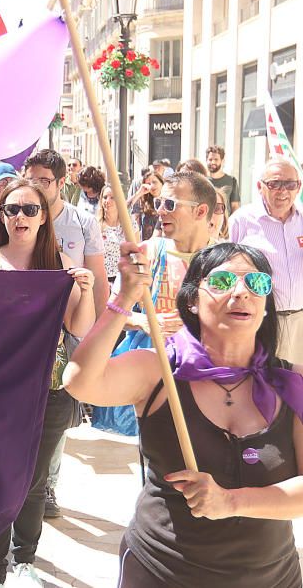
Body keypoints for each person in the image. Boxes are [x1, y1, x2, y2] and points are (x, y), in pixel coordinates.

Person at [64, 241, 303, 588]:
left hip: (271, 578)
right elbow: (80, 382)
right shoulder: (160, 370)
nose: (241, 292)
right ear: (191, 299)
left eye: (257, 284)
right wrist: (124, 298)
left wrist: (229, 502)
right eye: (222, 282)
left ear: (266, 305)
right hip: (161, 571)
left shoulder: (292, 383)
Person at [0, 179, 95, 588]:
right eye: (11, 209)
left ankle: (24, 557)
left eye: (29, 209)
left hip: (49, 394)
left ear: (45, 217)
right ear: (0, 215)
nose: (20, 217)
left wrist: (86, 289)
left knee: (34, 483)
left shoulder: (59, 268)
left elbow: (80, 325)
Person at [92, 172, 216, 438]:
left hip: (207, 384)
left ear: (201, 211)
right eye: (159, 202)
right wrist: (143, 322)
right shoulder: (147, 253)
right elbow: (112, 312)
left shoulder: (223, 262)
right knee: (154, 467)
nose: (160, 211)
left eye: (170, 204)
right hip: (153, 384)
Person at [230, 158, 303, 363]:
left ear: (298, 187)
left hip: (301, 320)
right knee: (265, 381)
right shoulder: (242, 220)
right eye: (274, 184)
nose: (283, 191)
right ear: (260, 186)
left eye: (290, 184)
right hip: (262, 320)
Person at [23, 149, 109, 312]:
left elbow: (97, 278)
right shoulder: (16, 219)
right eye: (29, 181)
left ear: (61, 183)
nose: (35, 188)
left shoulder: (84, 222)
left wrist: (98, 328)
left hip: (71, 318)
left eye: (43, 181)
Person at [129, 169, 165, 241]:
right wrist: (139, 193)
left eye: (154, 182)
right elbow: (123, 209)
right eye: (148, 184)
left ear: (161, 183)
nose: (152, 186)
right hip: (146, 246)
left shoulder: (169, 203)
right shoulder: (144, 204)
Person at [98, 185, 123, 285]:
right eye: (105, 197)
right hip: (103, 280)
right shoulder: (95, 225)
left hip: (122, 279)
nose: (107, 201)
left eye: (112, 197)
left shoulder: (129, 225)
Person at [206, 145, 241, 213]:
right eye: (210, 159)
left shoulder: (231, 181)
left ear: (222, 161)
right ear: (206, 160)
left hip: (225, 222)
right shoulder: (202, 181)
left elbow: (235, 206)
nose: (213, 162)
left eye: (216, 159)